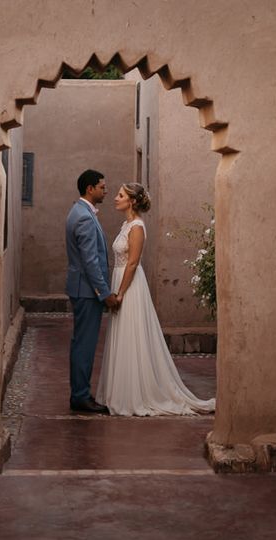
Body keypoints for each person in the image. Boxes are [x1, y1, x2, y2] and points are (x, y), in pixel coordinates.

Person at [96, 182, 215, 416]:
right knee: (122, 334)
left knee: (133, 333)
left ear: (131, 201)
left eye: (120, 195)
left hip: (130, 285)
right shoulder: (126, 224)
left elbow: (132, 262)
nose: (115, 198)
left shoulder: (137, 226)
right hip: (120, 278)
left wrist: (119, 292)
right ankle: (121, 390)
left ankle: (138, 394)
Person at [65, 169, 119, 414]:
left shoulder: (80, 212)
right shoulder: (85, 217)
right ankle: (80, 396)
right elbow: (90, 262)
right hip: (87, 291)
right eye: (102, 186)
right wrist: (104, 292)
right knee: (84, 345)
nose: (106, 190)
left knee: (81, 343)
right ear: (90, 188)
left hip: (83, 289)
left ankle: (80, 393)